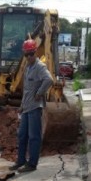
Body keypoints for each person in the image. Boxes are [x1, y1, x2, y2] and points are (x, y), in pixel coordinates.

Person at [9, 39, 54, 173]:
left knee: (34, 136)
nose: (29, 57)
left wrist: (40, 93)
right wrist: (22, 105)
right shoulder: (27, 68)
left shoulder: (40, 67)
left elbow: (49, 80)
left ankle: (32, 164)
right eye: (26, 54)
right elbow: (27, 89)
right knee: (22, 135)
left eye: (31, 54)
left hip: (35, 107)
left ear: (35, 53)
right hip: (26, 107)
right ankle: (21, 160)